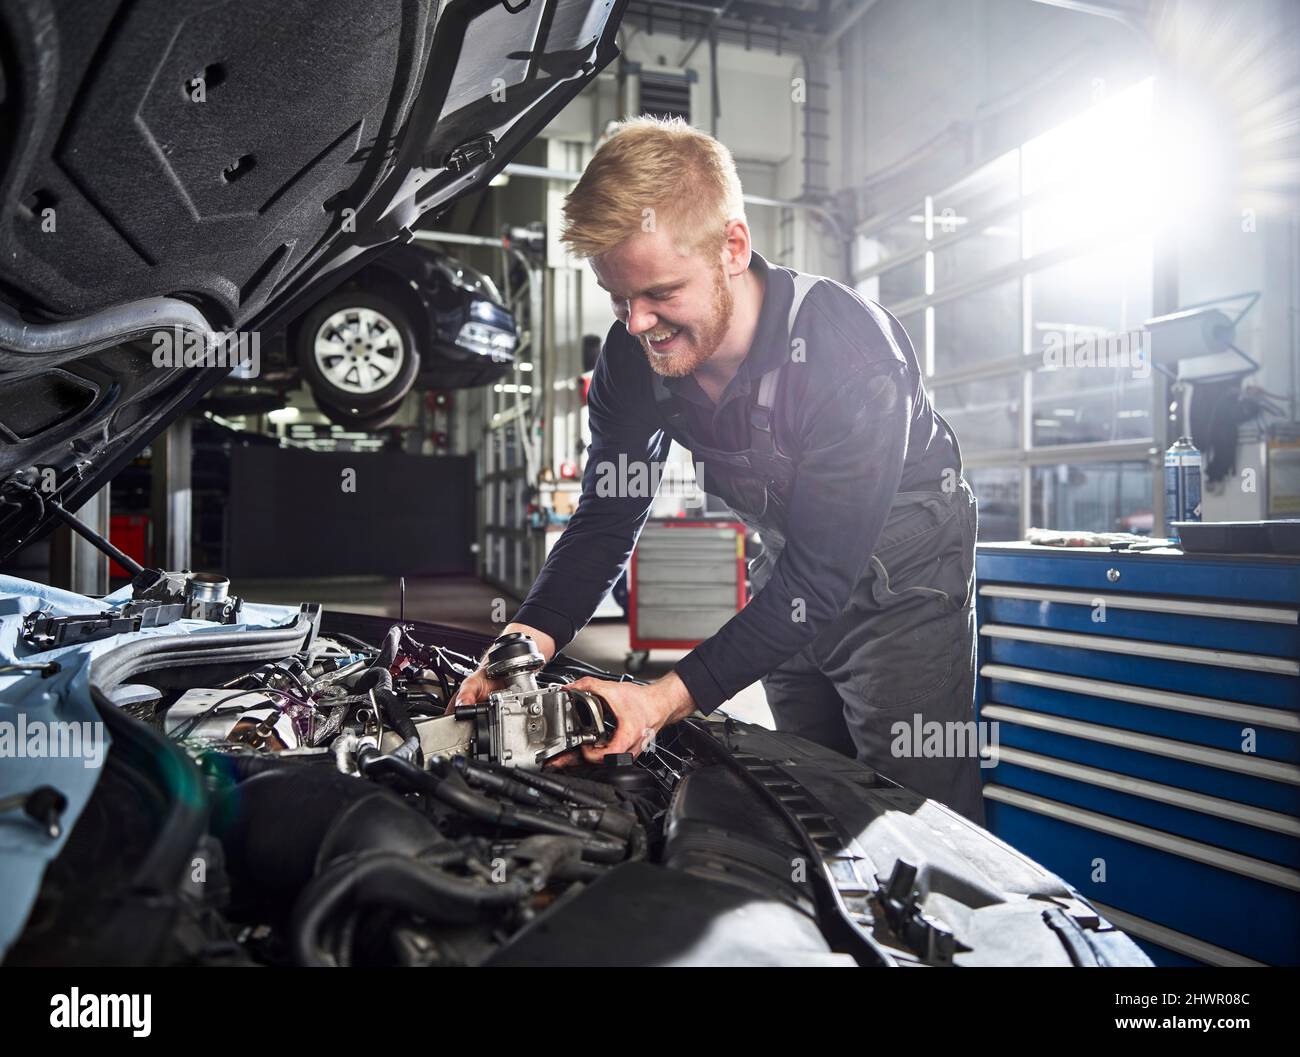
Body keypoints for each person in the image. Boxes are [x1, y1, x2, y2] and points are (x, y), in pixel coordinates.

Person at [453, 116, 983, 822]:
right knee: (809, 793)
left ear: (733, 246)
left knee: (914, 816)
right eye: (619, 298)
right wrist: (523, 640)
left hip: (906, 578)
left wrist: (657, 701)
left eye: (661, 293)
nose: (637, 324)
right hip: (790, 566)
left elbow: (824, 579)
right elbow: (609, 517)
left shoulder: (850, 359)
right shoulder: (632, 360)